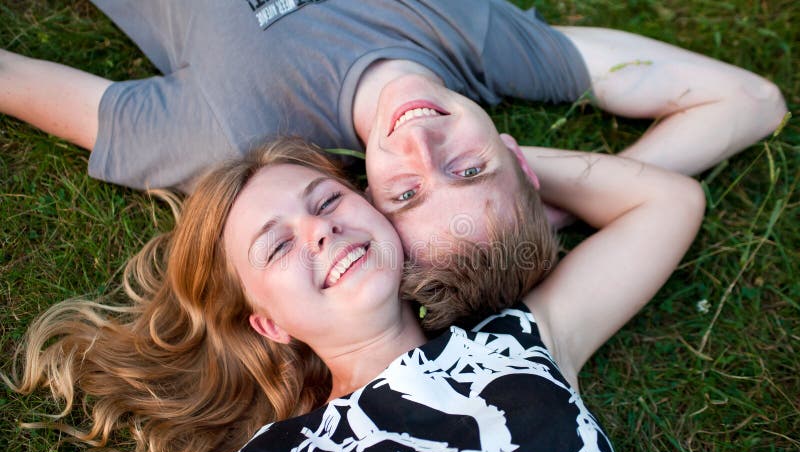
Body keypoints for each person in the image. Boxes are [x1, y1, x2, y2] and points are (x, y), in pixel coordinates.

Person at [6, 135, 705, 452]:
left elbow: (669, 202)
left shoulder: (519, 338)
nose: (318, 230)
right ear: (270, 323)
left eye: (327, 201)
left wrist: (477, 161)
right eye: (277, 247)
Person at [0, 0, 786, 260]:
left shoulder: (226, 134)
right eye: (473, 171)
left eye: (407, 192)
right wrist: (548, 208)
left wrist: (503, 199)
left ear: (366, 198)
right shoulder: (480, 41)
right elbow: (751, 101)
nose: (423, 145)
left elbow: (16, 80)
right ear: (519, 156)